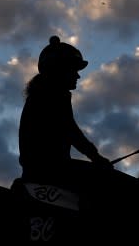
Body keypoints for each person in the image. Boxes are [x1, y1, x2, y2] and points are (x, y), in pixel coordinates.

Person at [18, 35, 111, 195]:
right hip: (49, 174)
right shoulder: (50, 95)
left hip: (48, 171)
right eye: (73, 70)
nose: (78, 76)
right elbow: (70, 130)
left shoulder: (44, 94)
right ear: (58, 70)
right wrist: (95, 157)